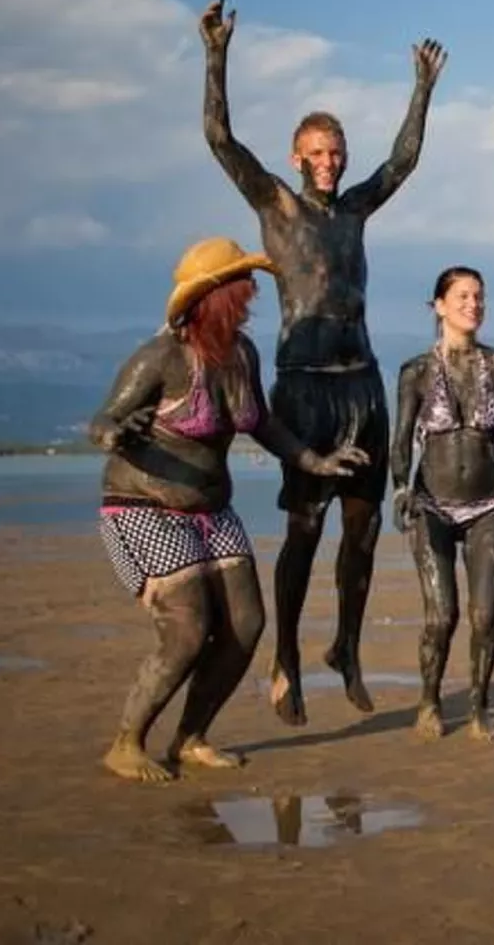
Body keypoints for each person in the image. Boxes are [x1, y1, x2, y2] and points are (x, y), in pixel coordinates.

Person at [198, 0, 446, 726]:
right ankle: (285, 660)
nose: (331, 163)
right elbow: (218, 137)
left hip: (361, 383)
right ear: (296, 157)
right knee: (305, 529)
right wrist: (216, 55)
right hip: (305, 388)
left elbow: (402, 161)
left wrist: (422, 91)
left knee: (363, 530)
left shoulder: (355, 209)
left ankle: (346, 645)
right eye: (319, 153)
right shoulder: (275, 202)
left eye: (337, 153)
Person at [88, 237, 367, 783]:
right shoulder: (161, 356)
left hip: (214, 511)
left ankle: (191, 735)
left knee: (246, 624)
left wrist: (314, 460)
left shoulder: (242, 354)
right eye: (243, 290)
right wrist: (118, 435)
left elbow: (260, 421)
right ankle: (127, 742)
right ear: (215, 296)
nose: (251, 298)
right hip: (144, 507)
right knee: (188, 630)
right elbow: (101, 420)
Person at [390, 267, 494, 741]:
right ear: (439, 305)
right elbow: (399, 443)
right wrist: (399, 489)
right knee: (442, 616)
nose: (473, 304)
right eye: (462, 296)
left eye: (479, 296)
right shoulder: (415, 371)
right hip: (430, 505)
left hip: (487, 506)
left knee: (485, 615)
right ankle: (429, 701)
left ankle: (479, 708)